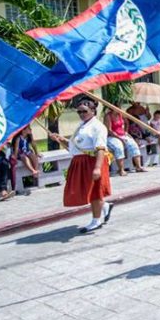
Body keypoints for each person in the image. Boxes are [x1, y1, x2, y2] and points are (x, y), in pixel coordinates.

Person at [49, 99, 113, 234]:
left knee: (95, 191)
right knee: (85, 190)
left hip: (92, 161)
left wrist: (97, 168)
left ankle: (96, 220)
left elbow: (100, 148)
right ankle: (104, 206)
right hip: (80, 162)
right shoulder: (82, 125)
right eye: (79, 112)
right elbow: (74, 148)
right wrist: (60, 139)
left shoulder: (98, 127)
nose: (82, 114)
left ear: (93, 111)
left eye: (84, 111)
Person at [104, 107, 146, 175]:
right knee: (118, 147)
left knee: (133, 145)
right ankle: (121, 170)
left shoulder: (121, 114)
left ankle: (138, 167)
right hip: (112, 137)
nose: (119, 109)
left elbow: (127, 122)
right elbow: (109, 130)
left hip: (122, 135)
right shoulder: (108, 116)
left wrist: (126, 132)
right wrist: (119, 138)